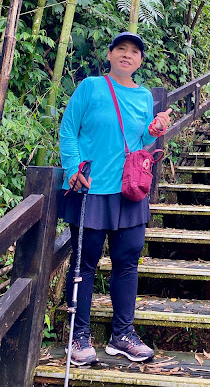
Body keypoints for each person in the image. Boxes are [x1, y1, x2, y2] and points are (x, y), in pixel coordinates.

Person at [59, 32, 171, 366]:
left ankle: (122, 335)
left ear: (139, 61)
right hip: (91, 189)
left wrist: (152, 131)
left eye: (134, 52)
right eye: (121, 49)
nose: (127, 55)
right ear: (109, 55)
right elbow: (68, 130)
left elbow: (136, 139)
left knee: (127, 264)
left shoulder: (143, 97)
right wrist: (72, 169)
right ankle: (78, 337)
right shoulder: (90, 87)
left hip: (129, 192)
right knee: (84, 265)